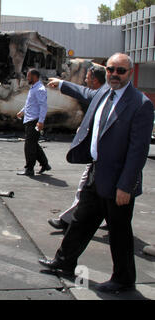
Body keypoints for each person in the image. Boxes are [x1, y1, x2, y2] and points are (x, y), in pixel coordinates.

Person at [38, 53, 154, 294]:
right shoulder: (103, 93)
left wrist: (126, 186)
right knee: (81, 221)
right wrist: (62, 84)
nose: (114, 74)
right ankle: (64, 262)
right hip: (97, 171)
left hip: (119, 179)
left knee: (120, 232)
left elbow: (138, 151)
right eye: (111, 69)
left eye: (120, 70)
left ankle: (123, 279)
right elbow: (86, 93)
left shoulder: (140, 104)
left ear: (130, 73)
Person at [47, 65, 106, 232]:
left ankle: (67, 220)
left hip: (103, 159)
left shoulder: (104, 95)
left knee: (85, 190)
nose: (85, 80)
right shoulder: (104, 94)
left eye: (87, 77)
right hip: (100, 157)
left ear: (94, 79)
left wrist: (61, 84)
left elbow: (84, 93)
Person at [16, 69, 51, 176]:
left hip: (34, 121)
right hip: (30, 120)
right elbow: (29, 103)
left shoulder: (40, 89)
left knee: (29, 146)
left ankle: (29, 169)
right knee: (33, 144)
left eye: (29, 76)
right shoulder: (33, 88)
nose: (27, 78)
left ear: (35, 77)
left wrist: (40, 122)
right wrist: (22, 112)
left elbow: (43, 106)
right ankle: (45, 164)